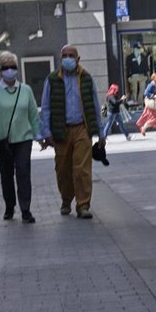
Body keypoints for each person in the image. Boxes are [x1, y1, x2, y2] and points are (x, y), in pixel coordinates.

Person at [40, 44, 106, 219]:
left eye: (71, 55)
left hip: (82, 129)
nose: (67, 58)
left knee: (82, 169)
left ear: (78, 59)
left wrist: (101, 132)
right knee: (63, 169)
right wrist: (46, 133)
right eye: (64, 55)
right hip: (61, 131)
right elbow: (46, 107)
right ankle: (66, 200)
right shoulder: (52, 79)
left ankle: (83, 205)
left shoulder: (86, 78)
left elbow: (94, 104)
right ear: (61, 59)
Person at [0, 51, 41, 223]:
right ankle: (10, 206)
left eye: (13, 67)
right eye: (6, 67)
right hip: (3, 140)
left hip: (24, 138)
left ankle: (26, 209)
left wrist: (39, 135)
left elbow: (33, 114)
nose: (10, 70)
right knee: (6, 174)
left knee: (23, 171)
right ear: (0, 70)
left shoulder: (26, 90)